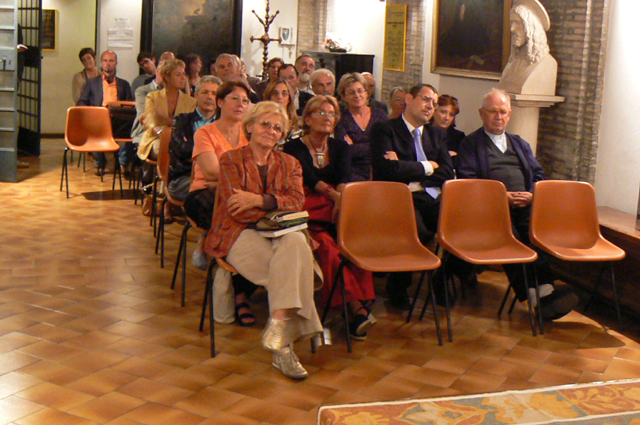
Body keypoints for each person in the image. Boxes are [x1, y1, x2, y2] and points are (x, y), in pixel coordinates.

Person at [205, 101, 322, 379]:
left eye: (278, 128)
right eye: (265, 124)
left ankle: (278, 328)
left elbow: (297, 201)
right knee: (292, 270)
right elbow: (237, 210)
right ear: (250, 126)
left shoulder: (290, 163)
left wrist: (258, 200)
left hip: (280, 234)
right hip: (237, 232)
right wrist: (274, 206)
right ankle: (285, 349)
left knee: (296, 242)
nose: (271, 131)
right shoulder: (231, 160)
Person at [457, 88, 578, 320]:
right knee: (511, 238)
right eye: (493, 111)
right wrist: (502, 197)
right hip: (490, 211)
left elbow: (539, 175)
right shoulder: (470, 144)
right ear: (482, 114)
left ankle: (544, 291)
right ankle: (539, 296)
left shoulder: (520, 143)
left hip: (525, 206)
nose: (498, 117)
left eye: (503, 112)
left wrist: (532, 194)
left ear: (510, 115)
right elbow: (467, 182)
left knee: (536, 233)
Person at [283, 96, 376, 340]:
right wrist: (335, 197)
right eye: (321, 113)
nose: (328, 118)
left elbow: (344, 178)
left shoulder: (340, 147)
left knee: (354, 240)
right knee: (327, 246)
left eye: (332, 114)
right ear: (307, 119)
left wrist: (341, 200)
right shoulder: (292, 148)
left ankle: (362, 303)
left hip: (337, 206)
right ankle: (356, 307)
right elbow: (309, 177)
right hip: (308, 209)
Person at [370, 84, 457, 309]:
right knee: (417, 231)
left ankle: (441, 277)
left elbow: (447, 172)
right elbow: (388, 170)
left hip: (431, 196)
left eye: (434, 103)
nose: (430, 107)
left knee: (463, 226)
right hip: (399, 198)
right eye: (426, 99)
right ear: (409, 99)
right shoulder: (385, 129)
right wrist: (429, 166)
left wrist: (408, 169)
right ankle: (398, 286)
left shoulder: (437, 134)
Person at [184, 80, 250, 273]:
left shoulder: (249, 134)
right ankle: (229, 267)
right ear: (220, 102)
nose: (240, 104)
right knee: (237, 216)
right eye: (235, 98)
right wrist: (244, 176)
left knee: (246, 213)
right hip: (204, 193)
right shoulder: (205, 133)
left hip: (238, 192)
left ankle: (227, 265)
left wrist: (227, 178)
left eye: (245, 101)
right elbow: (211, 172)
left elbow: (257, 170)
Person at [77, 50, 134, 175]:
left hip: (118, 119)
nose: (108, 64)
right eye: (105, 61)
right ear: (101, 63)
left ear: (116, 63)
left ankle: (123, 163)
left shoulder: (124, 84)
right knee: (94, 129)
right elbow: (81, 101)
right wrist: (91, 112)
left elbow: (130, 104)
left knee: (134, 132)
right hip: (99, 119)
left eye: (111, 61)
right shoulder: (92, 83)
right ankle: (100, 164)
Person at [168, 75, 220, 204]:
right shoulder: (181, 120)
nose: (209, 97)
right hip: (183, 177)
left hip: (216, 178)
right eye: (205, 92)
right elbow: (182, 151)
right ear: (196, 96)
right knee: (217, 192)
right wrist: (209, 158)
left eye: (214, 94)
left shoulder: (224, 124)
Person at [137, 59, 196, 163]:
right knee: (163, 147)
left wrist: (167, 122)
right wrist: (163, 133)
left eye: (184, 74)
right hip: (156, 138)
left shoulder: (191, 102)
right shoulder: (153, 97)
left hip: (181, 140)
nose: (183, 78)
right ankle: (165, 173)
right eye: (178, 75)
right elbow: (150, 123)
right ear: (167, 78)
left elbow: (187, 127)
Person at [334, 73, 388, 182]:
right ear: (344, 96)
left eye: (360, 91)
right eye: (351, 92)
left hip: (379, 167)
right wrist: (373, 146)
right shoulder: (341, 119)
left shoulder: (380, 115)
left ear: (366, 92)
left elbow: (385, 147)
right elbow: (345, 151)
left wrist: (354, 146)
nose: (357, 95)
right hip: (352, 170)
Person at [498, 0, 557, 95]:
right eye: (511, 22)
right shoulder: (513, 61)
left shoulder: (547, 63)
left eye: (517, 23)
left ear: (530, 27)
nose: (512, 29)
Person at [431, 95, 465, 169]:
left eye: (451, 115)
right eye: (443, 112)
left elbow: (462, 162)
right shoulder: (422, 131)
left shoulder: (459, 137)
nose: (447, 118)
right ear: (433, 111)